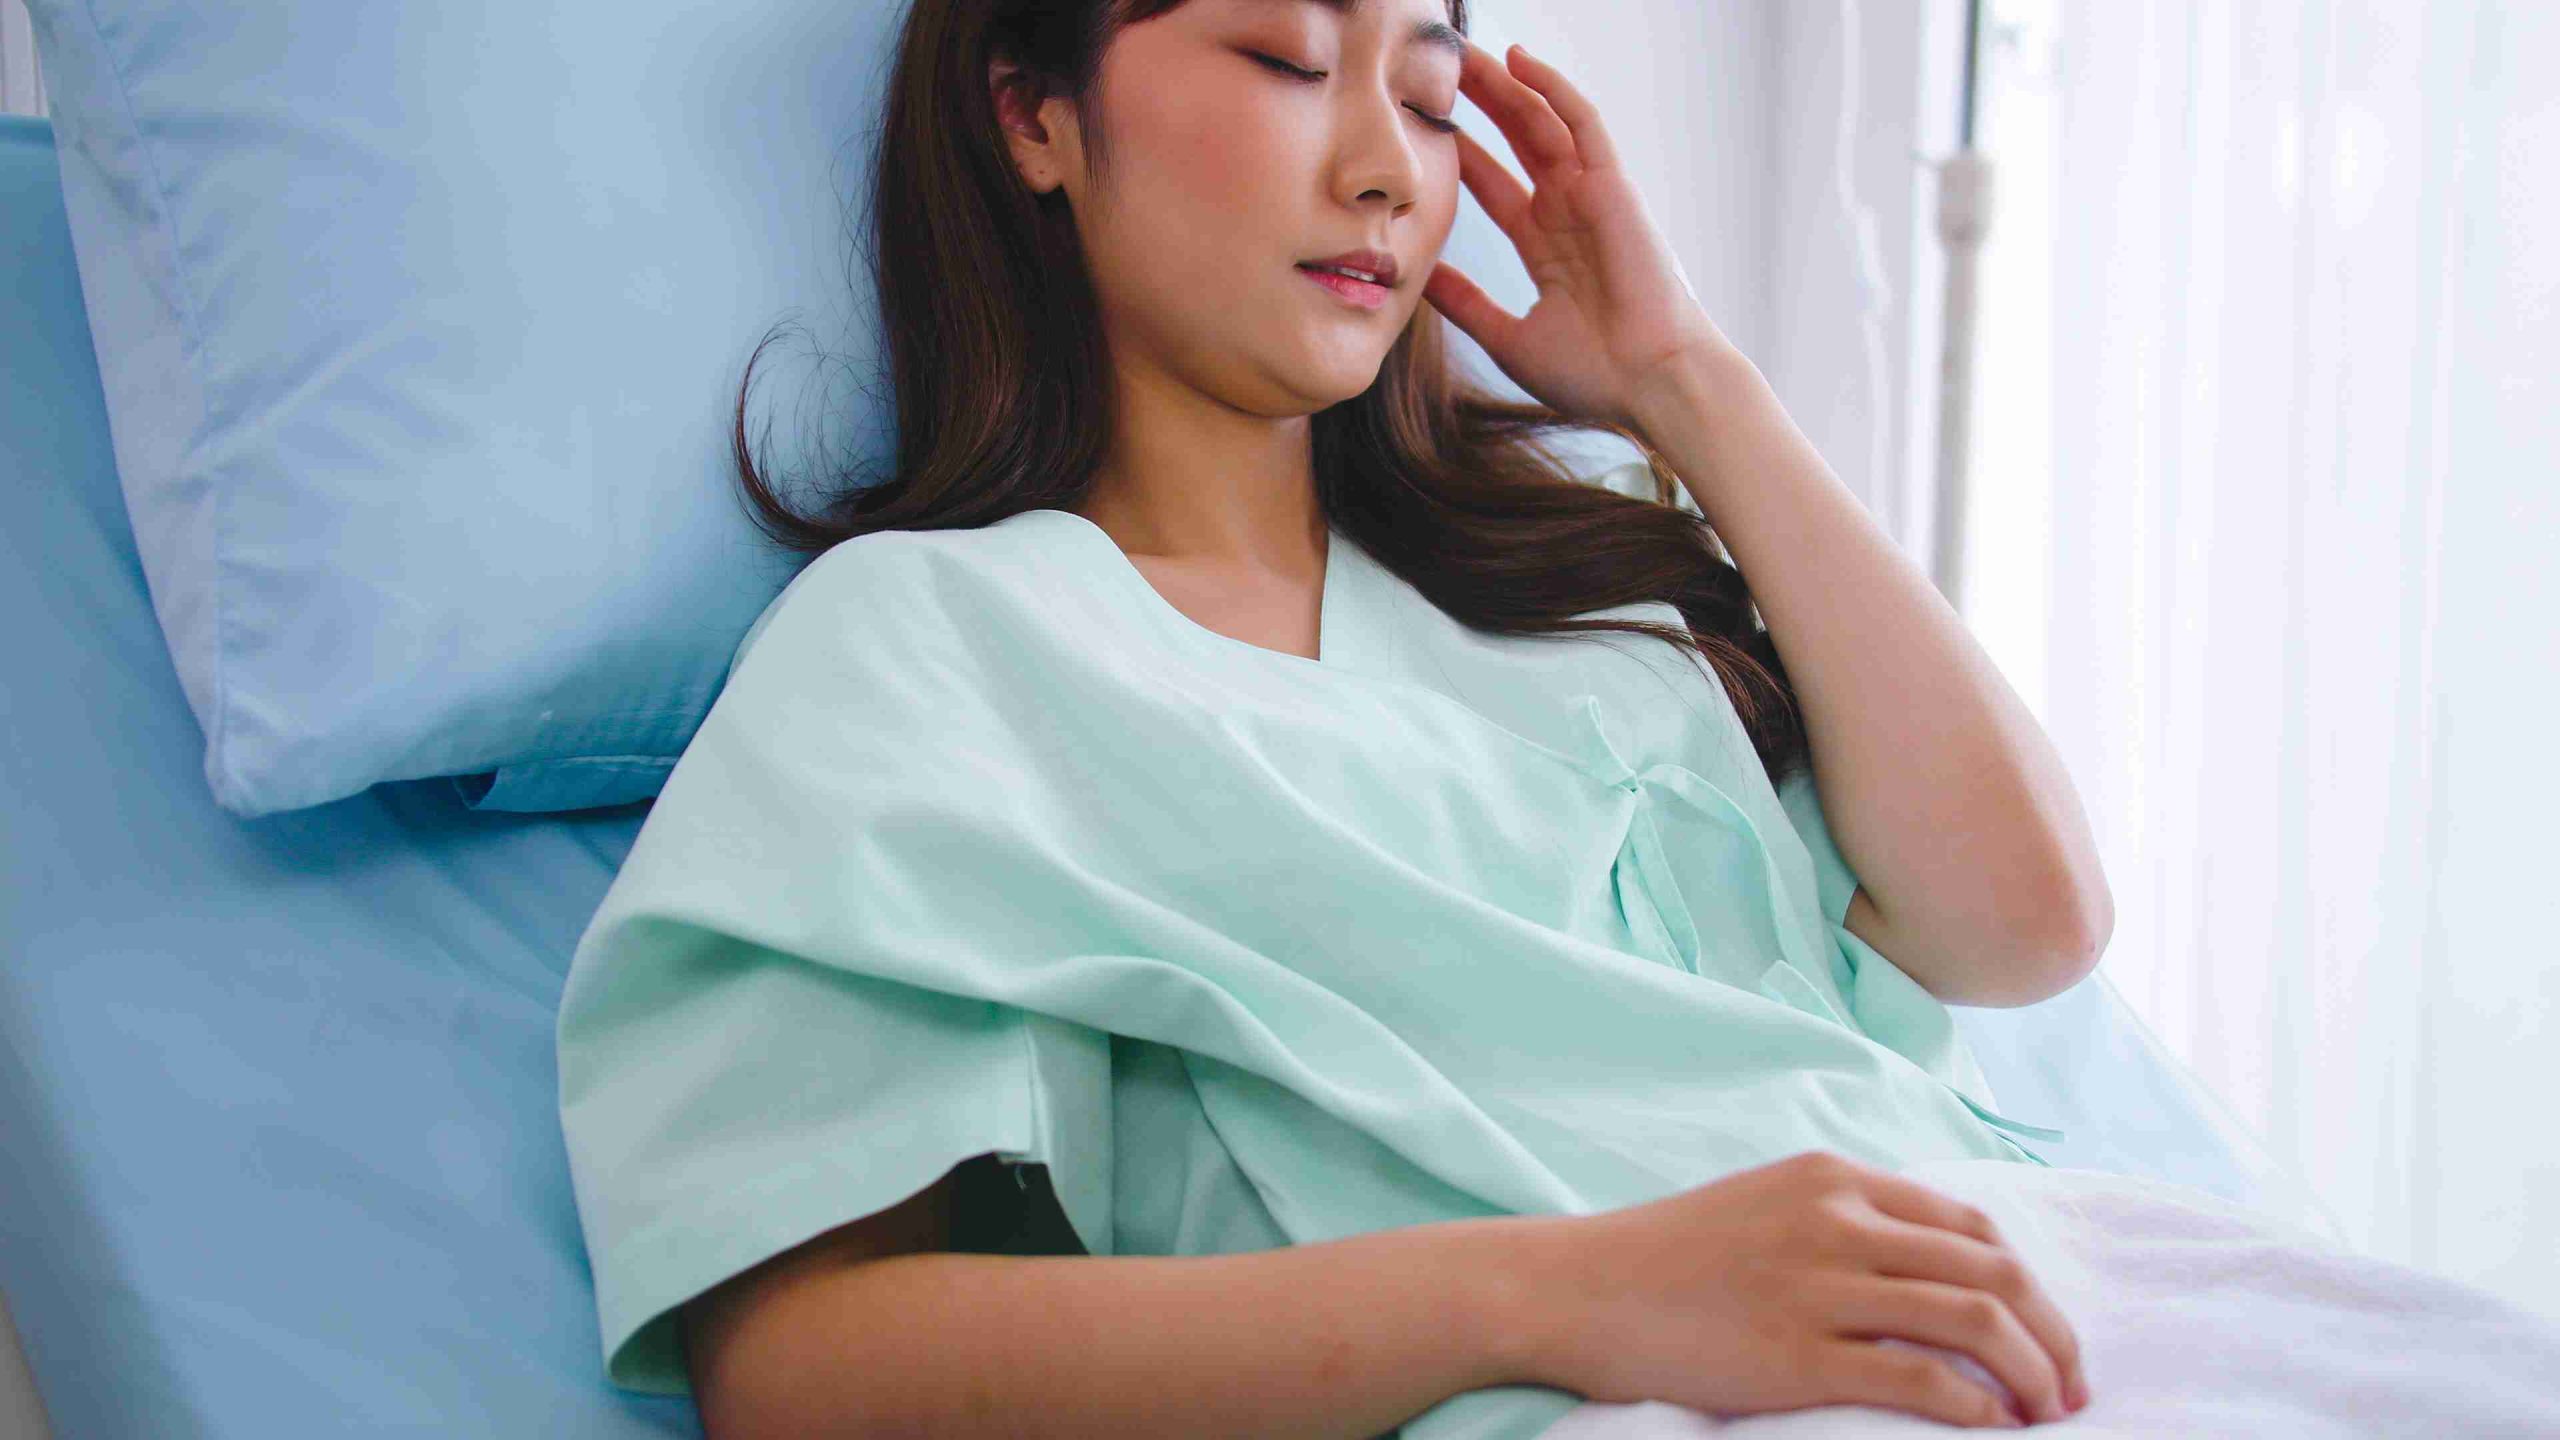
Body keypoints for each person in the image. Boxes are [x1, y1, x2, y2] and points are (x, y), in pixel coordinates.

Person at [554, 0, 2115, 1434]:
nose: (1386, 171)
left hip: (2066, 1313)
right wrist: (1572, 1291)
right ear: (1034, 115)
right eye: (1289, 63)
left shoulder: (1599, 613)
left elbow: (2026, 924)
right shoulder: (934, 647)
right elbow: (805, 1368)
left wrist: (1682, 379)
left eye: (1431, 101)